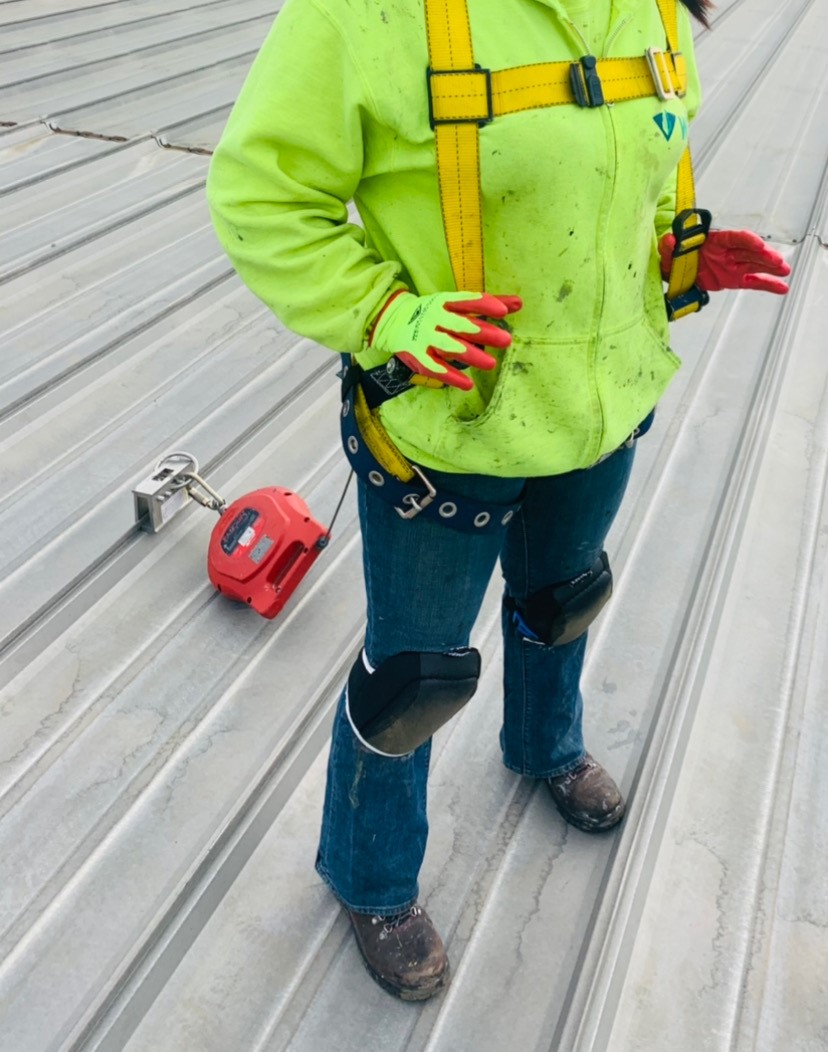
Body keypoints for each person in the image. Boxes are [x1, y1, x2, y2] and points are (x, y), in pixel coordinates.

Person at [207, 0, 790, 1002]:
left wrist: (674, 255)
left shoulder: (648, 9)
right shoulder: (366, 16)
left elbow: (621, 183)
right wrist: (386, 313)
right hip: (449, 429)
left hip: (597, 406)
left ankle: (545, 746)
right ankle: (373, 877)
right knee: (415, 679)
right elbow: (261, 197)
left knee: (563, 596)